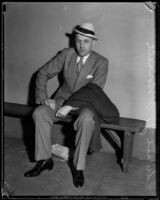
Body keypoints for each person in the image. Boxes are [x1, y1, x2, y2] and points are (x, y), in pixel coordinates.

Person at [24, 22, 109, 187]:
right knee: (40, 112)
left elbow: (93, 90)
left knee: (86, 120)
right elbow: (42, 73)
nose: (81, 45)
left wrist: (69, 106)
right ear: (74, 41)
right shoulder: (66, 54)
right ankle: (44, 159)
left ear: (93, 42)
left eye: (86, 41)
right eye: (78, 40)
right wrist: (44, 98)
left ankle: (78, 167)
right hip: (60, 100)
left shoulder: (101, 62)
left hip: (86, 104)